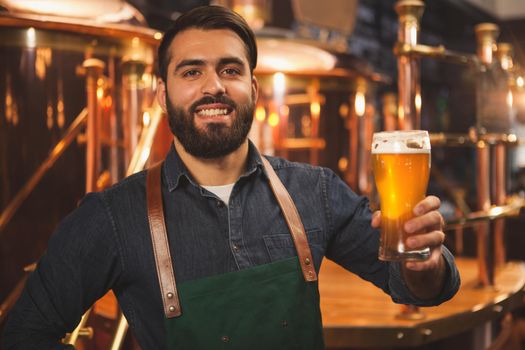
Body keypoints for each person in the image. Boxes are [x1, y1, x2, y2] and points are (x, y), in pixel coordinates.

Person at [2, 5, 460, 349]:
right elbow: (24, 334)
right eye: (191, 71)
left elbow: (417, 288)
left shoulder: (314, 191)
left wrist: (426, 264)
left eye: (230, 69)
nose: (214, 86)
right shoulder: (113, 216)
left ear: (253, 89)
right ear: (162, 94)